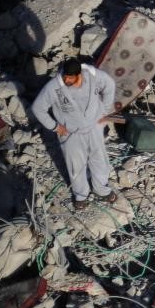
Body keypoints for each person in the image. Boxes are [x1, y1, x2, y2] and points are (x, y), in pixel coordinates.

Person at [31, 59, 118, 210]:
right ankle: (80, 195)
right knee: (75, 165)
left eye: (70, 77)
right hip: (71, 133)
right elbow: (38, 108)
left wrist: (104, 110)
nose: (67, 80)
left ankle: (101, 189)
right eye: (65, 76)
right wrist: (55, 127)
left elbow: (110, 85)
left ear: (79, 75)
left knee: (99, 159)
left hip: (94, 127)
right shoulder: (54, 87)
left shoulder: (93, 76)